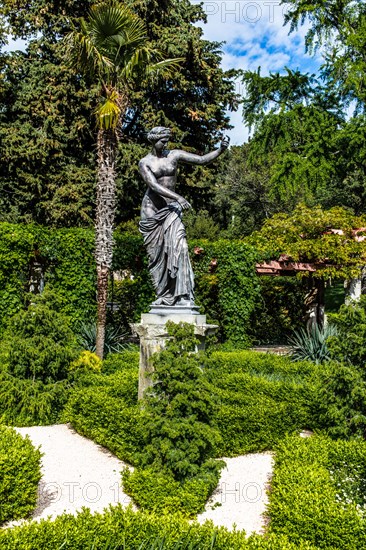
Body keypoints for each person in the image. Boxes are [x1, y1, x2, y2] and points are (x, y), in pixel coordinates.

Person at [139, 127, 229, 307]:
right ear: (153, 141)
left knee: (181, 246)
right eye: (162, 141)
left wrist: (220, 150)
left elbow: (201, 160)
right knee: (156, 257)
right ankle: (163, 295)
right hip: (152, 211)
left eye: (167, 140)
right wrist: (178, 197)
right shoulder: (144, 162)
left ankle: (183, 295)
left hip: (171, 209)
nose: (166, 144)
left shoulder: (174, 155)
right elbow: (154, 186)